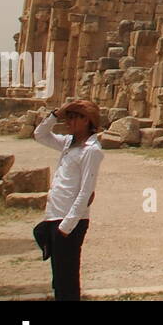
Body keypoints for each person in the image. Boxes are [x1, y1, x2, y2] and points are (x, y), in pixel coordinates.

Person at [31, 99, 104, 301]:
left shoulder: (91, 150)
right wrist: (57, 114)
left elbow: (86, 192)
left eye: (73, 117)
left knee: (67, 278)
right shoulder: (67, 143)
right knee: (59, 278)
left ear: (87, 120)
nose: (68, 122)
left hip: (70, 221)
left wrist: (67, 226)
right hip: (55, 215)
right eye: (68, 117)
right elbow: (39, 134)